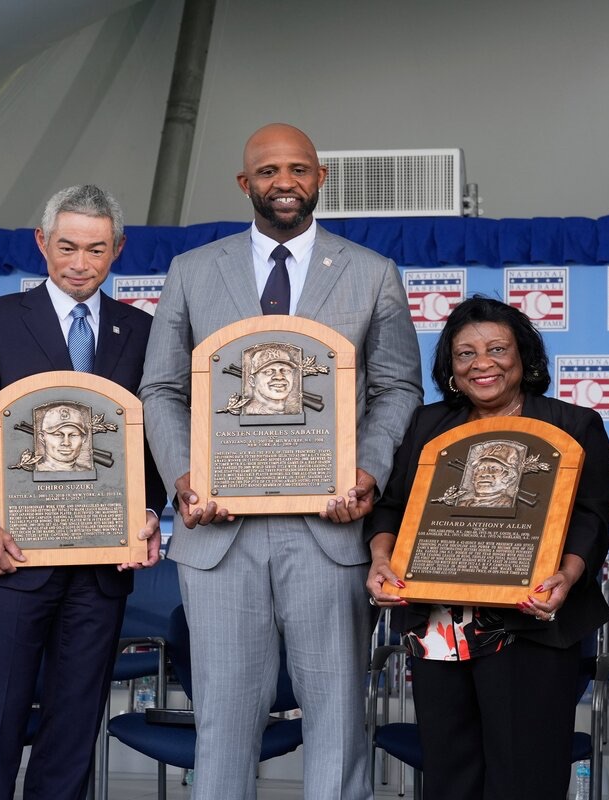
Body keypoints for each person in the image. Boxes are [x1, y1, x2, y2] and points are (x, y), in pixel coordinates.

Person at [139, 122, 423, 800]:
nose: (284, 182)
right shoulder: (192, 271)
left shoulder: (372, 273)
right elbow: (161, 388)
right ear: (246, 184)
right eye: (268, 171)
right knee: (224, 719)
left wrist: (369, 472)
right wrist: (184, 477)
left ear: (319, 178)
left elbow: (397, 387)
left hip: (328, 529)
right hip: (219, 530)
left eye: (298, 169)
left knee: (336, 720)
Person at [0, 184, 166, 800]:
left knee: (74, 727)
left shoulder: (141, 331)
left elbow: (150, 442)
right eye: (66, 246)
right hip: (10, 556)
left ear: (117, 250)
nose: (79, 263)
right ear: (41, 243)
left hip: (102, 566)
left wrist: (148, 512)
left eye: (96, 250)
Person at [366, 296, 609, 800]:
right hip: (439, 629)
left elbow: (591, 518)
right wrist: (380, 562)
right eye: (465, 354)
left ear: (524, 358)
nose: (482, 363)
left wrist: (565, 577)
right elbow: (391, 507)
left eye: (497, 348)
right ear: (451, 369)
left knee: (525, 776)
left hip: (534, 623)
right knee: (449, 774)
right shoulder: (425, 425)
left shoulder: (573, 424)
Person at [241, 345, 300, 415]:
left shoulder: (291, 411)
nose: (279, 377)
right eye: (268, 371)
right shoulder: (251, 412)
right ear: (252, 381)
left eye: (285, 371)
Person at [34, 403, 92, 472]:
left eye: (73, 435)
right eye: (58, 435)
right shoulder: (38, 470)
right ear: (42, 438)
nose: (66, 443)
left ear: (83, 439)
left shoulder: (86, 471)